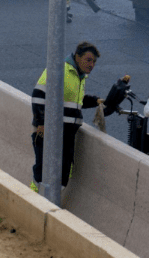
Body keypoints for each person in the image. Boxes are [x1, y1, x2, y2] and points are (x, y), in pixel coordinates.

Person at [30, 42, 104, 192]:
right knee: (43, 169)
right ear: (77, 57)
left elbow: (75, 103)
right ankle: (32, 198)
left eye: (94, 62)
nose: (91, 65)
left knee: (64, 172)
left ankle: (52, 201)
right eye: (88, 60)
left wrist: (96, 101)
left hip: (68, 134)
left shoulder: (80, 77)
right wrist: (41, 123)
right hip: (50, 131)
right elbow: (38, 95)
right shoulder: (60, 70)